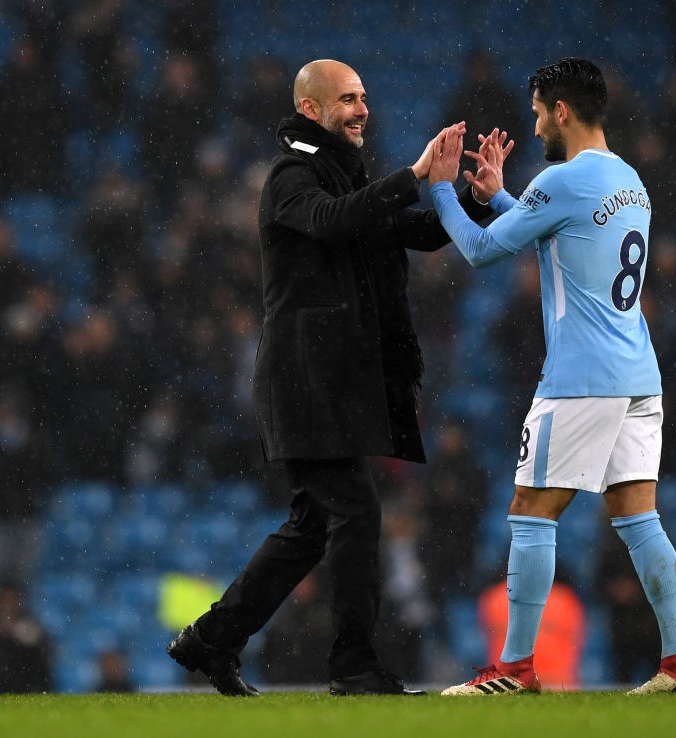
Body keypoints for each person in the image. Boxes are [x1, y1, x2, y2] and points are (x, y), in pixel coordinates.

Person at [166, 58, 508, 697]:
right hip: (304, 379)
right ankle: (353, 665)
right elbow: (333, 221)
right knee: (354, 510)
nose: (362, 109)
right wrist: (412, 175)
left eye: (364, 97)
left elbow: (415, 232)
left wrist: (472, 197)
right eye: (348, 99)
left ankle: (211, 641)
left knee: (311, 527)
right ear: (311, 110)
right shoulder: (290, 176)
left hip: (330, 378)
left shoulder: (342, 175)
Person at [427, 57, 676, 696]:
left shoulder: (562, 178)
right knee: (639, 518)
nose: (535, 124)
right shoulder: (629, 181)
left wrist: (445, 188)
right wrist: (499, 195)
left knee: (530, 511)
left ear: (562, 111)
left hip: (581, 378)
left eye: (537, 112)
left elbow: (482, 250)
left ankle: (514, 670)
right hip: (639, 375)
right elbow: (564, 235)